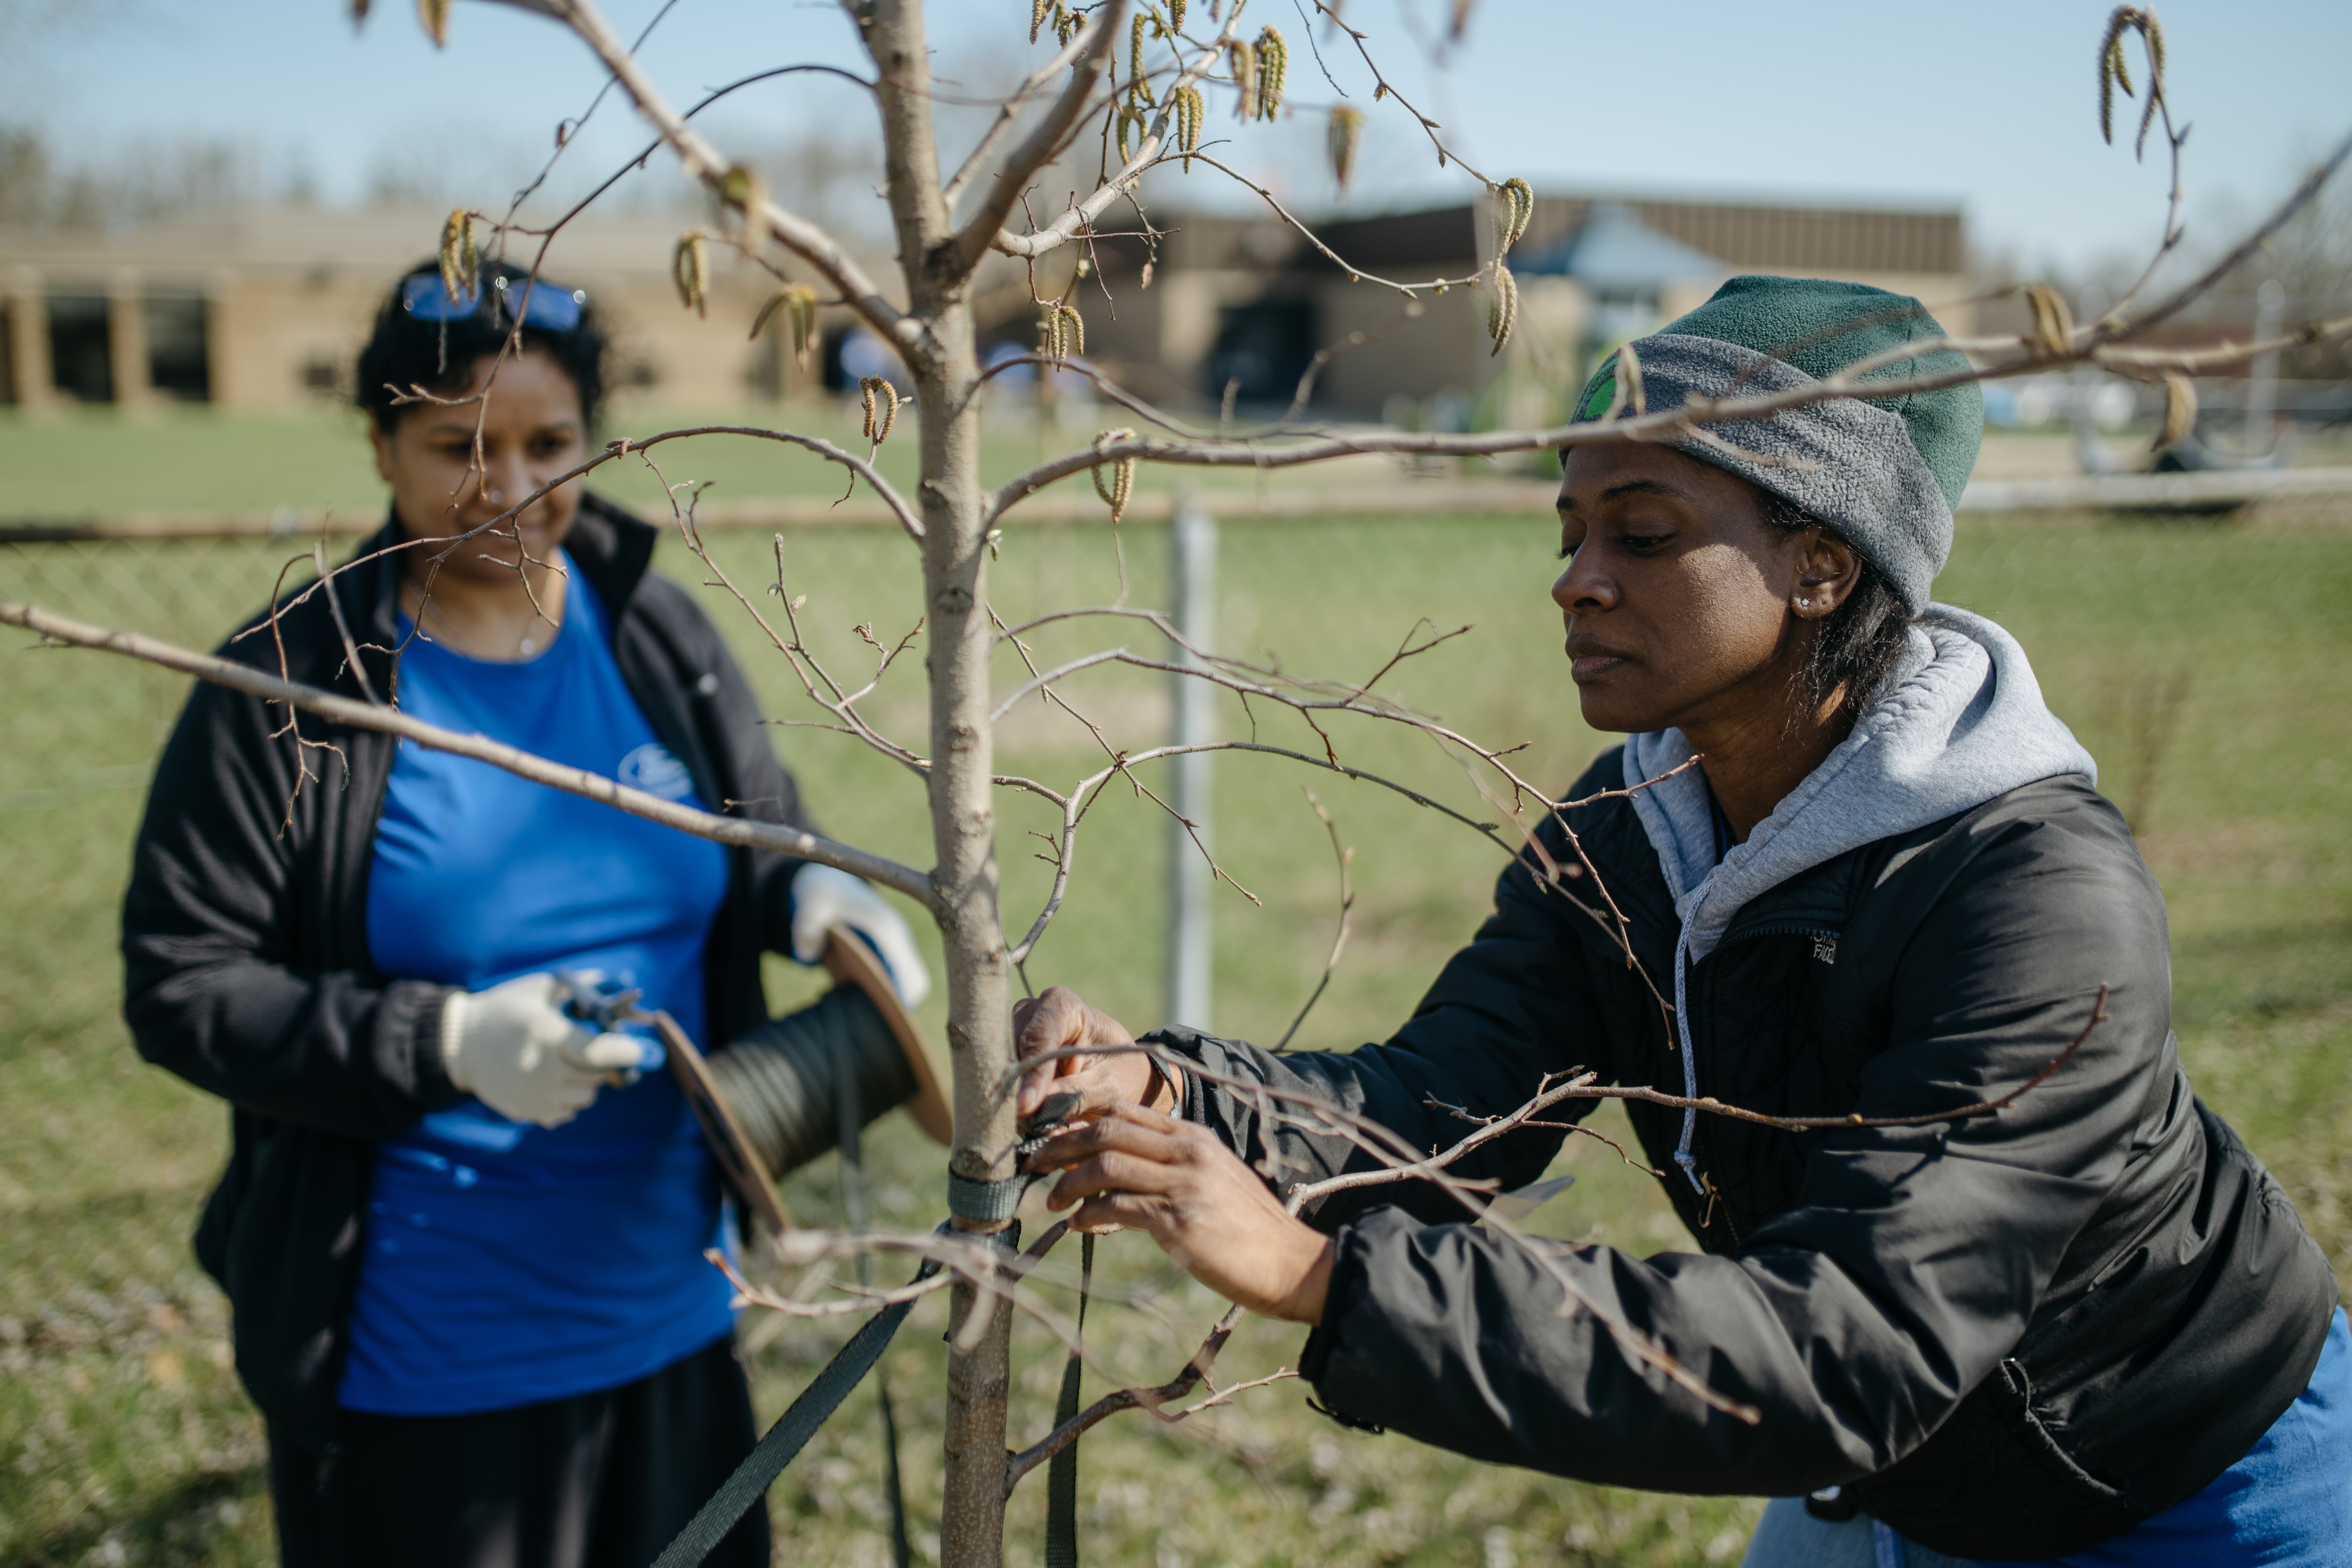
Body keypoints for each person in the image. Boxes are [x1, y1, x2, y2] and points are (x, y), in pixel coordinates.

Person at [1014, 277, 2352, 1566]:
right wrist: (1171, 1095)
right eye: (1571, 536)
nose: (1577, 582)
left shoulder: (2034, 898)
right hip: (1877, 1471)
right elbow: (1437, 1105)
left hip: (2179, 1489)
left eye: (1642, 536)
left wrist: (1326, 1279)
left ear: (1822, 565)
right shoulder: (1631, 832)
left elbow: (1862, 1337)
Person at [122, 259, 930, 1567]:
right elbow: (180, 982)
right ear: (380, 445)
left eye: (550, 445)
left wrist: (815, 896)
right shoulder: (290, 688)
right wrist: (443, 1043)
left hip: (678, 1321)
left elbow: (763, 840)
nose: (508, 487)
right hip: (424, 1366)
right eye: (460, 447)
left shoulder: (655, 632)